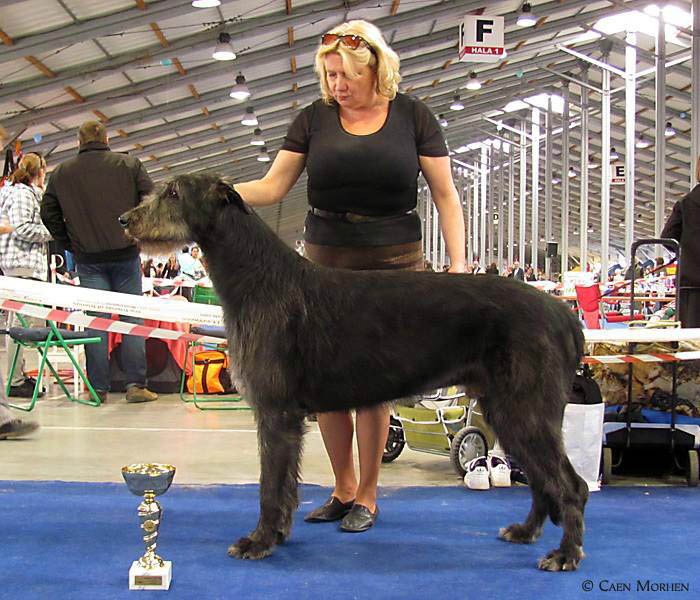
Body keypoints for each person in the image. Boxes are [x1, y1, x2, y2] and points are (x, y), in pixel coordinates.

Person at [233, 20, 465, 532]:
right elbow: (272, 187)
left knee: (374, 383)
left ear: (375, 69)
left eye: (346, 75)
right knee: (323, 381)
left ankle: (368, 493)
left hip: (394, 262)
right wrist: (218, 191)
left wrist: (458, 265)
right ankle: (340, 487)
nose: (337, 84)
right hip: (324, 262)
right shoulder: (313, 119)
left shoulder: (414, 116)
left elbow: (446, 195)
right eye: (330, 74)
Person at [40, 120, 158, 404]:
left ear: (79, 142)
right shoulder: (130, 165)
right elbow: (151, 200)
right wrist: (138, 233)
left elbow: (48, 212)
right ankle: (135, 386)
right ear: (107, 139)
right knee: (132, 318)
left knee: (96, 322)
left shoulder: (61, 172)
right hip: (126, 253)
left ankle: (97, 389)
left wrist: (68, 242)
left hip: (88, 257)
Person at [0, 153, 53, 398]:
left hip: (23, 266)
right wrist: (53, 231)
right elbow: (21, 228)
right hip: (22, 265)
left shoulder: (20, 191)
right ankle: (14, 380)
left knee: (20, 325)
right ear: (39, 171)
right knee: (19, 327)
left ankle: (17, 376)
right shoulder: (21, 193)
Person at [661, 154, 700, 328]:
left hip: (690, 283)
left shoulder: (686, 202)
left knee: (690, 341)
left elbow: (667, 237)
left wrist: (686, 251)